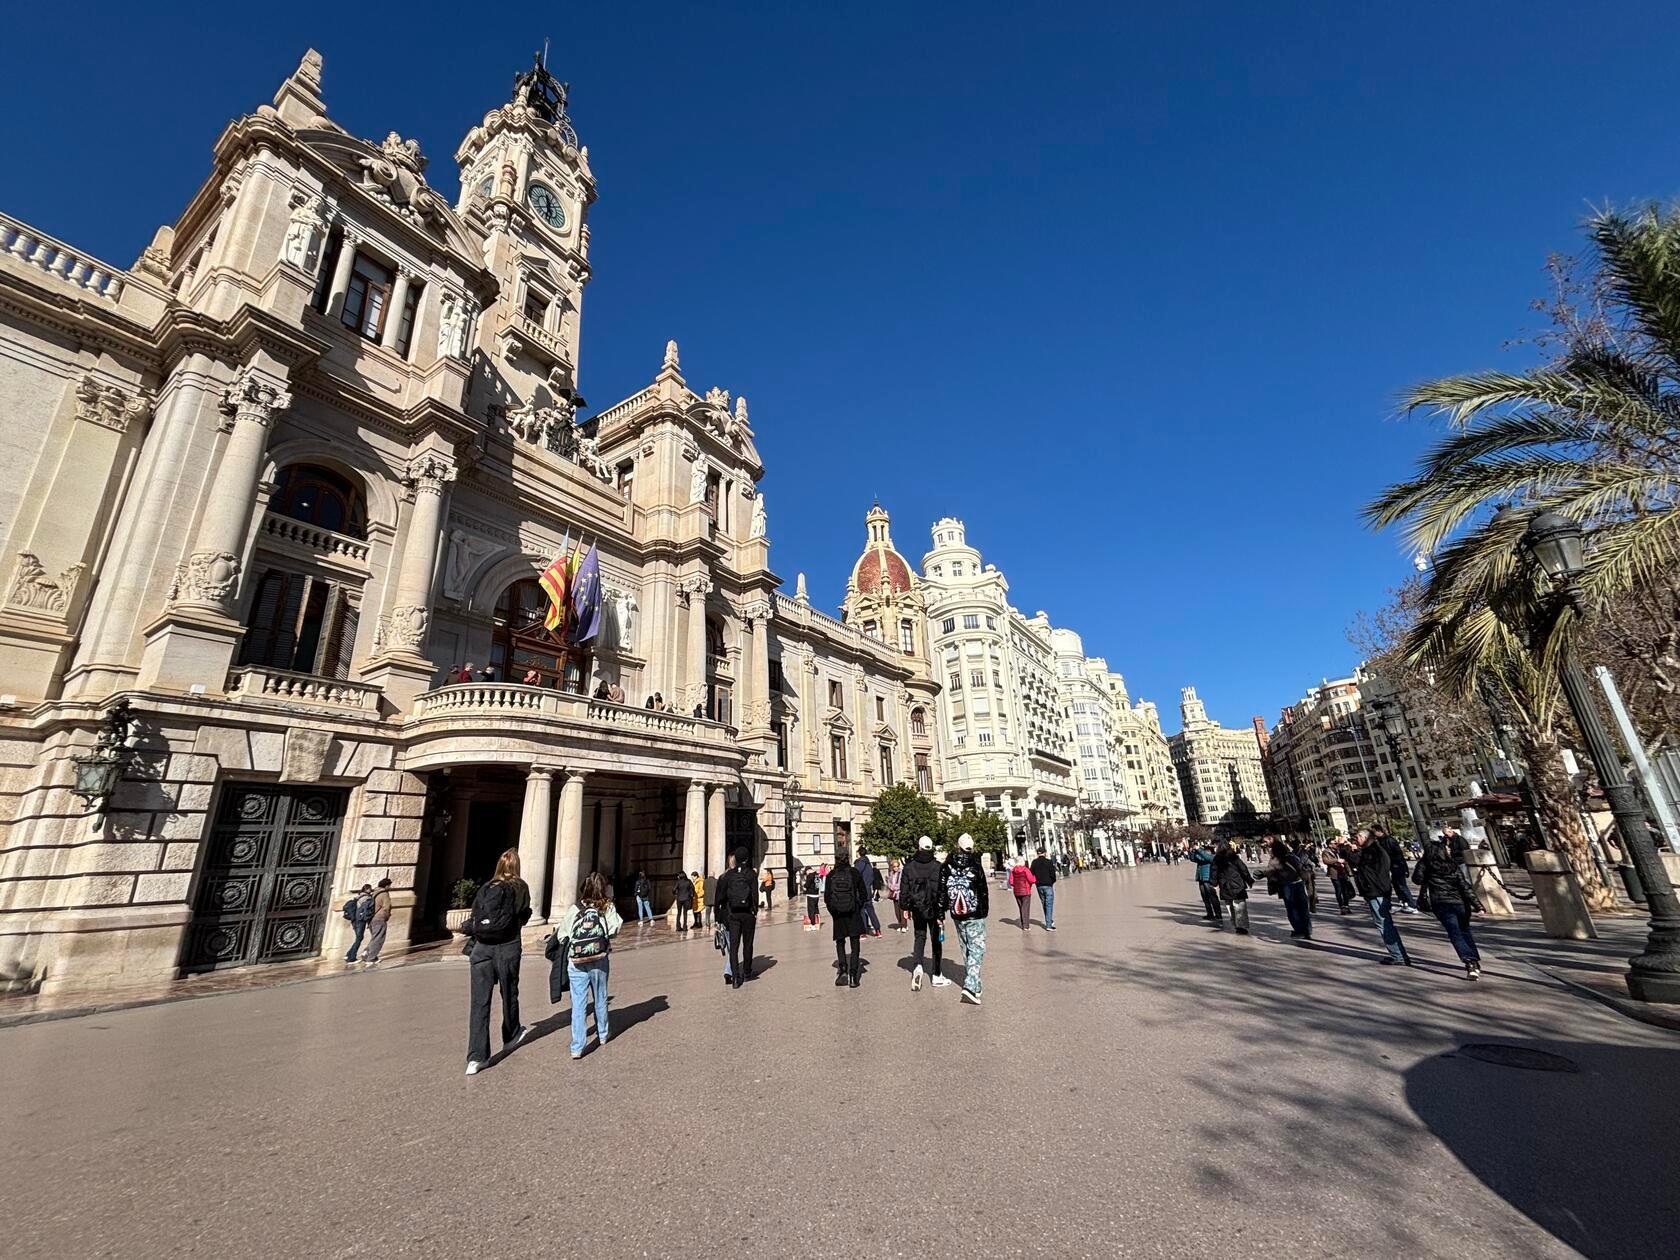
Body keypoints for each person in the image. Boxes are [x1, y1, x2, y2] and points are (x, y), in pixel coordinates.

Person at [463, 848, 532, 1076]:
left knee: (479, 1003)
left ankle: (476, 1057)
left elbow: (474, 916)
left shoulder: (486, 887)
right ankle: (511, 1035)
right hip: (507, 945)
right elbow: (523, 914)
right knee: (509, 993)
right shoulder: (519, 886)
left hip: (481, 949)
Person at [554, 871, 623, 1058]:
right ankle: (602, 1034)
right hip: (599, 959)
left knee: (578, 1003)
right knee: (600, 997)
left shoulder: (575, 908)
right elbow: (616, 928)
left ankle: (577, 1046)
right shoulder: (606, 907)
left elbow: (562, 934)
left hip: (576, 961)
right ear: (603, 888)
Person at [1414, 836, 1483, 979]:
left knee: (1455, 933)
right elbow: (1465, 887)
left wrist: (1423, 862)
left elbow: (1417, 879)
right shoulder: (1452, 865)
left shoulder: (1426, 865)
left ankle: (1470, 962)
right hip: (1460, 903)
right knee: (1465, 931)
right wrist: (1478, 905)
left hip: (1441, 904)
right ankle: (1474, 961)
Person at [943, 833, 990, 1005]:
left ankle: (976, 986)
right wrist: (984, 911)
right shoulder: (976, 866)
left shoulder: (946, 865)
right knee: (977, 947)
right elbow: (983, 891)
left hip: (957, 913)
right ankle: (970, 985)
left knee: (966, 947)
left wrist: (942, 913)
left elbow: (942, 891)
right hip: (974, 912)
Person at [1354, 829, 1411, 965]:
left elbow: (1368, 871)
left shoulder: (1372, 852)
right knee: (1384, 922)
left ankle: (1398, 955)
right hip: (1377, 891)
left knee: (1384, 923)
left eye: (1357, 837)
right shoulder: (1374, 851)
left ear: (1365, 837)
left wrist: (1367, 888)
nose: (1356, 840)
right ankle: (1399, 954)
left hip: (1376, 892)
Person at [901, 835, 949, 989]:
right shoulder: (938, 866)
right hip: (934, 908)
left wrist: (905, 907)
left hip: (917, 907)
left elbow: (904, 890)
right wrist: (943, 910)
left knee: (919, 937)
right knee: (936, 940)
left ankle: (917, 967)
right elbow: (943, 891)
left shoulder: (909, 867)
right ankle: (936, 975)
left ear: (919, 847)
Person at [824, 845, 868, 988]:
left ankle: (842, 971)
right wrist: (857, 907)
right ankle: (854, 975)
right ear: (847, 858)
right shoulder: (854, 873)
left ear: (836, 859)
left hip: (838, 915)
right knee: (855, 945)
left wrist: (834, 911)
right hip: (853, 913)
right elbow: (864, 894)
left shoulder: (831, 875)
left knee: (840, 942)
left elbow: (826, 898)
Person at [717, 848, 760, 987]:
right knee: (748, 944)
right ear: (747, 858)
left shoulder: (729, 875)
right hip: (747, 914)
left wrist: (719, 915)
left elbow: (721, 897)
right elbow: (755, 895)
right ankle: (747, 972)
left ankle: (735, 977)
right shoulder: (751, 874)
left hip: (733, 914)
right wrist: (755, 910)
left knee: (734, 947)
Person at [1267, 839, 1313, 941]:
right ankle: (1307, 930)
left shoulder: (1274, 860)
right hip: (1299, 883)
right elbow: (1300, 868)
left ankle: (1299, 929)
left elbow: (1270, 874)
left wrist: (1274, 884)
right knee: (1303, 907)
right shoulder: (1292, 857)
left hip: (1286, 886)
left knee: (1292, 908)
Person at [1212, 841, 1254, 934]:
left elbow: (1214, 873)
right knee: (1240, 906)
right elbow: (1243, 869)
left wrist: (1214, 883)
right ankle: (1242, 925)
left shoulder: (1216, 859)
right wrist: (1249, 880)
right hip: (1237, 884)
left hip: (1225, 885)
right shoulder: (1234, 857)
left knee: (1230, 906)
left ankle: (1236, 925)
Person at [1376, 829, 1420, 914]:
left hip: (1396, 866)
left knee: (1401, 885)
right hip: (1394, 866)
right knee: (1397, 885)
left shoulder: (1388, 840)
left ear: (1380, 831)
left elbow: (1397, 854)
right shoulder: (1382, 841)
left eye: (1375, 831)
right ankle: (1405, 903)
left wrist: (1401, 866)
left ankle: (1411, 905)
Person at [360, 877, 393, 964]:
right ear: (386, 886)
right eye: (389, 886)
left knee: (375, 937)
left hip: (371, 919)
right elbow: (386, 907)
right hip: (379, 918)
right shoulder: (384, 894)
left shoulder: (374, 892)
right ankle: (371, 958)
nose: (390, 887)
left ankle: (366, 952)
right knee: (379, 938)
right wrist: (386, 917)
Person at [1188, 842, 1221, 922]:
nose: (1205, 851)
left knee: (1213, 897)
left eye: (1206, 850)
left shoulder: (1212, 856)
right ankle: (1210, 914)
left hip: (1208, 878)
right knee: (1205, 897)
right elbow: (1193, 859)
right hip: (1201, 878)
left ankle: (1218, 914)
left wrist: (1198, 849)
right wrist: (1193, 851)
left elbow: (1206, 858)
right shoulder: (1201, 856)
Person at [343, 882, 375, 962]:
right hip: (361, 920)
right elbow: (367, 911)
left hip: (354, 920)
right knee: (359, 938)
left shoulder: (358, 896)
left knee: (358, 938)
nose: (371, 890)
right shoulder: (367, 898)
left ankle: (348, 955)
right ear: (367, 889)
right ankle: (351, 957)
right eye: (370, 888)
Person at [854, 847, 882, 937]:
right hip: (868, 889)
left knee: (861, 910)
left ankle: (863, 932)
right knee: (870, 910)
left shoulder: (859, 863)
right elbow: (871, 877)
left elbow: (855, 876)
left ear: (859, 853)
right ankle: (877, 929)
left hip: (861, 890)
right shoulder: (868, 863)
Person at [1030, 845, 1059, 931]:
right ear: (1045, 853)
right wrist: (1051, 882)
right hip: (1048, 885)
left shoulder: (1034, 862)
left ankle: (1049, 920)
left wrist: (1036, 881)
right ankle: (1049, 925)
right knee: (1049, 904)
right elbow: (1053, 874)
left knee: (1044, 903)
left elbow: (1031, 873)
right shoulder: (1049, 862)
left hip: (1039, 885)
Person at [1325, 839, 1357, 915]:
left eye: (1336, 843)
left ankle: (1346, 906)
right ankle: (1342, 906)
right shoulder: (1326, 852)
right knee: (1338, 891)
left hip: (1343, 872)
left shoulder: (1338, 850)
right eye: (1334, 843)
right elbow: (1325, 861)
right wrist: (1337, 860)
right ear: (1329, 845)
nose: (1336, 844)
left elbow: (1345, 860)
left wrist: (1349, 871)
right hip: (1335, 874)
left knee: (1345, 890)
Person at [1007, 855, 1036, 929]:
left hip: (1017, 891)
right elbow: (1031, 880)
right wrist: (1035, 878)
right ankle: (1026, 926)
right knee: (1025, 908)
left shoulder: (1013, 870)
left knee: (1021, 907)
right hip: (1026, 891)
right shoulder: (1025, 869)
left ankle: (1023, 924)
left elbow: (1011, 882)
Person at [885, 858, 906, 930]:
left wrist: (895, 887)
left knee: (902, 910)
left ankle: (904, 925)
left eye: (897, 866)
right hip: (894, 894)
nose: (896, 868)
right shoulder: (891, 873)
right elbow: (889, 882)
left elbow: (902, 883)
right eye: (894, 866)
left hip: (900, 893)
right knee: (896, 911)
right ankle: (900, 923)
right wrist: (891, 886)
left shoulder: (901, 872)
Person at [802, 865, 821, 930]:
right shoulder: (817, 875)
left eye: (806, 872)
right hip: (816, 895)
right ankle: (817, 922)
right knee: (816, 909)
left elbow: (806, 885)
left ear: (808, 870)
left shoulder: (810, 875)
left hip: (811, 895)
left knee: (811, 910)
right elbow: (818, 885)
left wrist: (804, 886)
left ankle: (813, 925)